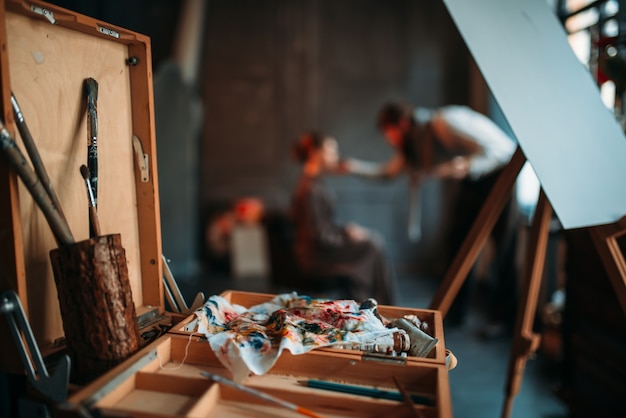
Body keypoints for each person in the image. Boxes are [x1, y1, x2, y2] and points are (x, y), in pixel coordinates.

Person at [345, 101, 518, 331]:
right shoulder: (415, 144)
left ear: (403, 124)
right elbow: (388, 172)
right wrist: (352, 167)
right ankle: (454, 312)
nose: (390, 140)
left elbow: (499, 150)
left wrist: (467, 164)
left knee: (505, 250)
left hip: (500, 175)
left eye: (391, 133)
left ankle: (506, 320)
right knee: (457, 244)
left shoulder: (444, 124)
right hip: (472, 182)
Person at [290, 131, 397, 305]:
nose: (335, 156)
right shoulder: (309, 189)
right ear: (315, 153)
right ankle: (379, 307)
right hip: (316, 257)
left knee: (371, 243)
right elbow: (320, 237)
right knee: (373, 244)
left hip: (320, 249)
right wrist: (345, 236)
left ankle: (379, 306)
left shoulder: (312, 184)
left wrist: (345, 230)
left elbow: (321, 227)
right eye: (331, 151)